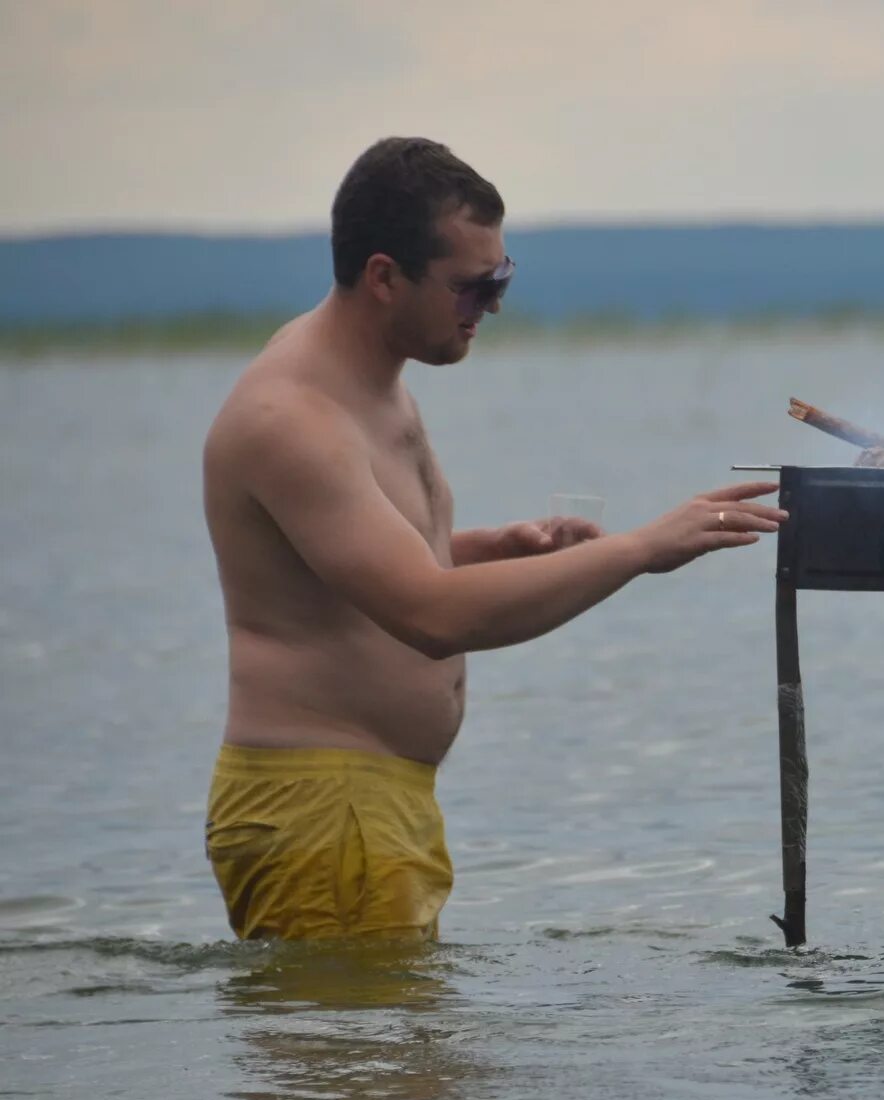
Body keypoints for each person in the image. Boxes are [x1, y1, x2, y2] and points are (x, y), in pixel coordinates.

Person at [201, 137, 784, 941]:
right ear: (383, 277)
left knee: (393, 1068)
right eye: (474, 287)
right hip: (324, 808)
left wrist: (487, 548)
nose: (494, 306)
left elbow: (356, 571)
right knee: (354, 1070)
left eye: (503, 278)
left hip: (369, 802)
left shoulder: (372, 379)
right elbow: (435, 616)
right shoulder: (292, 418)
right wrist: (646, 546)